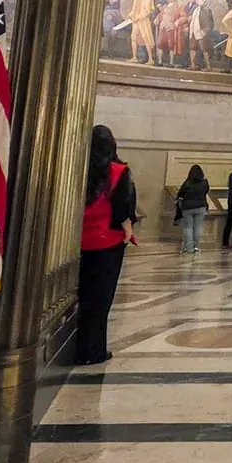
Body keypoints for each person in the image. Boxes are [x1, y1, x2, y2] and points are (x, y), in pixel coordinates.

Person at [76, 126, 138, 365]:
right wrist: (127, 228)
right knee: (101, 298)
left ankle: (79, 348)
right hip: (107, 241)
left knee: (83, 296)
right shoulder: (118, 171)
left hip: (80, 241)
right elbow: (123, 208)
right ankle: (95, 350)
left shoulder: (79, 169)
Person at [175, 164, 210, 254]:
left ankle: (188, 248)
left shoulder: (187, 183)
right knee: (198, 227)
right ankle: (196, 247)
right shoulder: (204, 182)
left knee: (188, 228)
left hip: (188, 208)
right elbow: (206, 191)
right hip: (201, 206)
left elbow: (180, 194)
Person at [128, 0, 158, 65]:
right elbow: (134, 7)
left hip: (143, 21)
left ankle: (151, 59)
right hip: (136, 20)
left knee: (146, 38)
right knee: (133, 37)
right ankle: (134, 57)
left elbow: (148, 11)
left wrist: (139, 17)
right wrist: (131, 14)